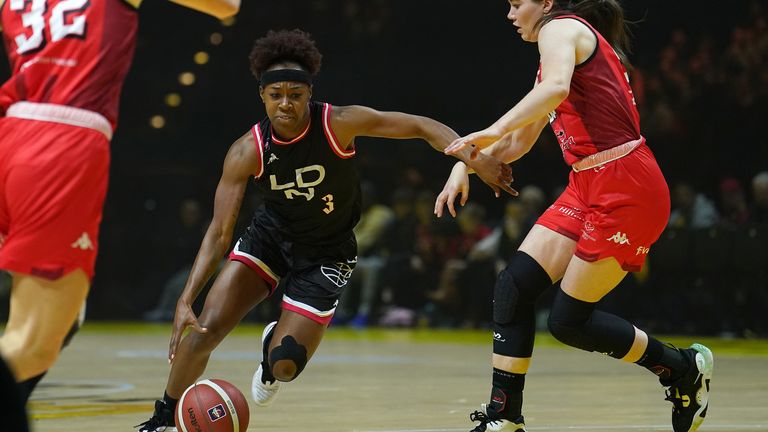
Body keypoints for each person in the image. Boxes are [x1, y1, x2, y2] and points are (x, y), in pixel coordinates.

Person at [135, 29, 514, 432]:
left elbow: (421, 125)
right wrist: (185, 299)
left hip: (329, 251)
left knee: (285, 365)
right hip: (271, 239)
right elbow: (218, 232)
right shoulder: (247, 150)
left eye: (295, 95)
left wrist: (474, 158)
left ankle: (270, 355)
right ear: (262, 96)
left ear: (309, 93)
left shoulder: (338, 122)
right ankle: (163, 417)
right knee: (204, 326)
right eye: (276, 94)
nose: (285, 103)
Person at [436, 1, 713, 431]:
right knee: (513, 287)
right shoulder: (554, 56)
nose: (509, 14)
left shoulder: (560, 28)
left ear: (545, 3)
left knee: (569, 323)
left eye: (516, 4)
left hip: (626, 185)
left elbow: (553, 92)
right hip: (587, 182)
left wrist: (485, 134)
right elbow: (516, 144)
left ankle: (682, 367)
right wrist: (463, 164)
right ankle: (503, 416)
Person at [0, 0, 241, 405]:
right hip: (64, 139)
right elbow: (227, 5)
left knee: (57, 319)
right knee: (33, 344)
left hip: (12, 130)